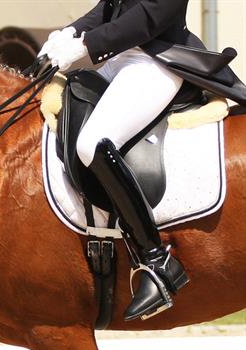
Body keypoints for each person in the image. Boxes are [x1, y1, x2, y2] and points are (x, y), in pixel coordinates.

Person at [37, 0, 208, 321]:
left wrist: (87, 44)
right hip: (115, 57)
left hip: (156, 59)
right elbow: (110, 6)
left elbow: (152, 15)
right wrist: (70, 32)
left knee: (93, 143)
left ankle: (158, 261)